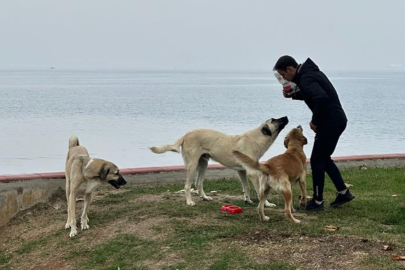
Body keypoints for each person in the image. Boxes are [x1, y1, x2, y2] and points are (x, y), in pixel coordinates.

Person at [274, 55, 355, 211]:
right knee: (324, 158)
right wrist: (293, 95)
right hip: (336, 120)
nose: (284, 78)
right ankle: (343, 192)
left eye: (283, 75)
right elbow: (311, 93)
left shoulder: (306, 78)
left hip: (330, 122)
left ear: (290, 69)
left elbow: (320, 98)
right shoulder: (308, 74)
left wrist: (315, 121)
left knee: (318, 161)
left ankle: (317, 202)